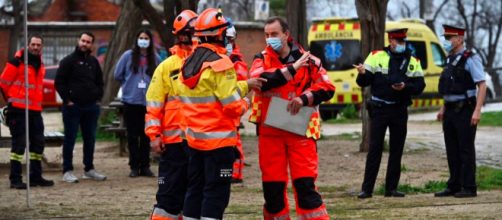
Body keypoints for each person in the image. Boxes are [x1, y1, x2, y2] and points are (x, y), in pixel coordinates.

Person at [177, 8, 264, 219]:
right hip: (219, 144)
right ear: (218, 34)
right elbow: (231, 105)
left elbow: (213, 93)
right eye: (226, 32)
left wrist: (246, 85)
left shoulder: (189, 62)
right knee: (216, 193)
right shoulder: (221, 63)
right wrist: (245, 100)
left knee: (195, 190)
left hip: (194, 142)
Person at [248, 17, 334, 219]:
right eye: (267, 35)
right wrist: (292, 68)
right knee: (273, 190)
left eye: (274, 34)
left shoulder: (310, 61)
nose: (270, 39)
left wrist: (305, 98)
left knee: (305, 187)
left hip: (300, 131)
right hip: (270, 133)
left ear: (286, 35)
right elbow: (262, 82)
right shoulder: (260, 58)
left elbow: (327, 88)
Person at [354, 28, 425, 199]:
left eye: (403, 41)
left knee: (397, 149)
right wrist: (363, 74)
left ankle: (391, 189)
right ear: (390, 41)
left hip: (399, 110)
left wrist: (405, 87)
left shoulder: (413, 60)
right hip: (379, 109)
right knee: (375, 149)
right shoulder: (376, 56)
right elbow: (363, 82)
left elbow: (420, 86)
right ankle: (367, 189)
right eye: (398, 41)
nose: (401, 44)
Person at [146, 10, 197, 220]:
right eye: (185, 33)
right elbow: (154, 104)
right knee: (169, 195)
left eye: (191, 32)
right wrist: (154, 135)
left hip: (198, 141)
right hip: (174, 142)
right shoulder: (166, 67)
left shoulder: (207, 63)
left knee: (194, 194)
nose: (188, 37)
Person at [434, 25, 486, 198]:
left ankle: (469, 187)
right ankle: (454, 185)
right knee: (452, 149)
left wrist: (477, 111)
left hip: (465, 110)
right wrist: (443, 108)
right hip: (449, 111)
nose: (446, 41)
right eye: (446, 37)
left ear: (460, 39)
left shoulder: (471, 58)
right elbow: (449, 87)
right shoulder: (449, 59)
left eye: (450, 37)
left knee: (465, 149)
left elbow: (482, 85)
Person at [0, 35, 54, 189]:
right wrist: (10, 102)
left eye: (38, 45)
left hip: (35, 110)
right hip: (17, 109)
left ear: (41, 47)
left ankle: (36, 176)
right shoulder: (16, 62)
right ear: (28, 45)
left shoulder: (40, 63)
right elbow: (3, 83)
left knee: (38, 143)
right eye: (33, 44)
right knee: (19, 145)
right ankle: (15, 179)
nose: (36, 47)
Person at [56, 32, 107, 183]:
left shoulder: (93, 62)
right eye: (83, 40)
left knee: (90, 139)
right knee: (70, 139)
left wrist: (98, 98)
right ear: (78, 41)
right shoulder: (68, 61)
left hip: (91, 107)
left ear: (92, 44)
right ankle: (67, 170)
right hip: (73, 107)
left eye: (88, 42)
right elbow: (59, 82)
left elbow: (100, 82)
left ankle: (89, 169)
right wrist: (67, 100)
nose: (85, 44)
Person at [114, 29, 159, 178]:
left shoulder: (155, 58)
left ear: (150, 40)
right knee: (132, 136)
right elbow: (117, 74)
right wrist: (128, 86)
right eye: (141, 37)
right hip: (130, 102)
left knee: (146, 136)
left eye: (146, 38)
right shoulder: (128, 56)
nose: (143, 40)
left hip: (148, 104)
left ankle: (145, 166)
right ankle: (134, 166)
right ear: (137, 39)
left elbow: (159, 77)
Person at [225, 22, 249, 183]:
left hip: (232, 107)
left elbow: (241, 83)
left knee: (234, 140)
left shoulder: (237, 62)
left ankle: (236, 174)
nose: (227, 42)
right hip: (219, 108)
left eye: (229, 39)